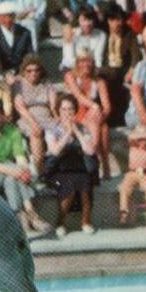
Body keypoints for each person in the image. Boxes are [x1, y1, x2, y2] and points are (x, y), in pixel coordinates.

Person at [0, 98, 51, 234]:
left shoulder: (13, 130)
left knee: (11, 179)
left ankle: (23, 214)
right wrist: (17, 172)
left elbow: (20, 158)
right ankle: (32, 215)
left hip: (6, 167)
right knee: (13, 174)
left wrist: (23, 170)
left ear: (3, 114)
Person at [43, 94, 98, 237]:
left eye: (70, 109)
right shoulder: (52, 128)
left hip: (78, 167)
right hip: (57, 169)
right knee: (69, 188)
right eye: (64, 110)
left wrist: (76, 132)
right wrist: (67, 133)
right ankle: (60, 223)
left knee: (85, 186)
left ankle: (86, 222)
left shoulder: (82, 128)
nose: (67, 113)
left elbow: (90, 150)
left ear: (75, 111)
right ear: (59, 111)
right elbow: (54, 150)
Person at [64, 50, 111, 179]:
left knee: (104, 128)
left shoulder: (99, 81)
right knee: (99, 123)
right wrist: (95, 107)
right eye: (82, 61)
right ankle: (99, 160)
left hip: (94, 119)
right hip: (75, 116)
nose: (86, 64)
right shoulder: (70, 76)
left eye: (88, 61)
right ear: (77, 63)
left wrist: (99, 118)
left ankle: (102, 163)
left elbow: (107, 107)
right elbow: (78, 97)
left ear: (93, 63)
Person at [99, 4, 142, 127]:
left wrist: (132, 69)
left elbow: (136, 55)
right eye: (113, 20)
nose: (117, 23)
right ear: (107, 21)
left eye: (119, 19)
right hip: (105, 71)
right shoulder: (102, 33)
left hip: (123, 70)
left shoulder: (129, 34)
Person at [12, 55, 57, 175]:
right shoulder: (19, 84)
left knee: (58, 133)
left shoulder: (47, 84)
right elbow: (19, 107)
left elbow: (53, 106)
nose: (33, 73)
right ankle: (39, 169)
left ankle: (56, 171)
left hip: (47, 118)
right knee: (35, 133)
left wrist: (57, 118)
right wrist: (34, 123)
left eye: (36, 70)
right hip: (28, 119)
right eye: (29, 70)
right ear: (23, 71)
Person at [0, 1, 34, 80]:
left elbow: (29, 55)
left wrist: (21, 72)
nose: (8, 20)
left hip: (21, 72)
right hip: (0, 73)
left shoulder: (24, 32)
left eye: (10, 16)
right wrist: (4, 73)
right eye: (4, 17)